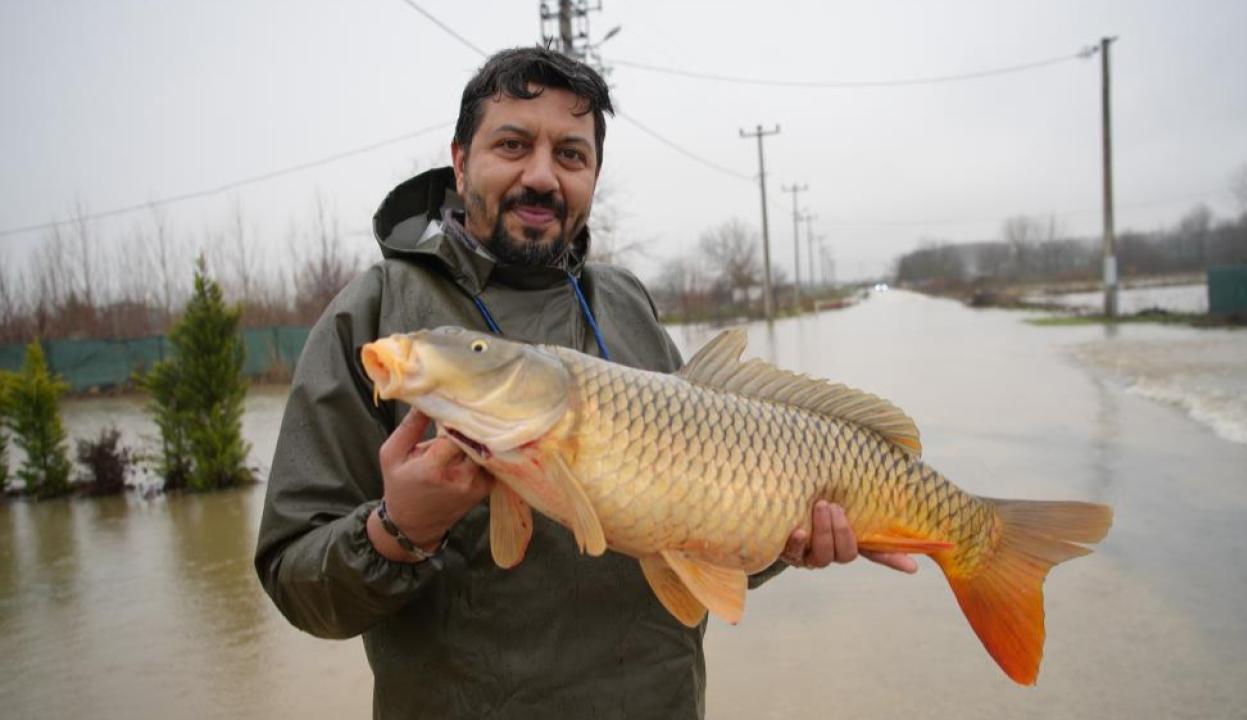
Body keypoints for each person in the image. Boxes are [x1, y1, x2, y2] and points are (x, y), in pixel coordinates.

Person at [254, 46, 914, 719]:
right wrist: (398, 532)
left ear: (593, 174)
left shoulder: (624, 303)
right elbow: (295, 582)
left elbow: (702, 528)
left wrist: (783, 540)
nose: (541, 176)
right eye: (512, 145)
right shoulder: (376, 317)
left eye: (571, 156)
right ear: (459, 159)